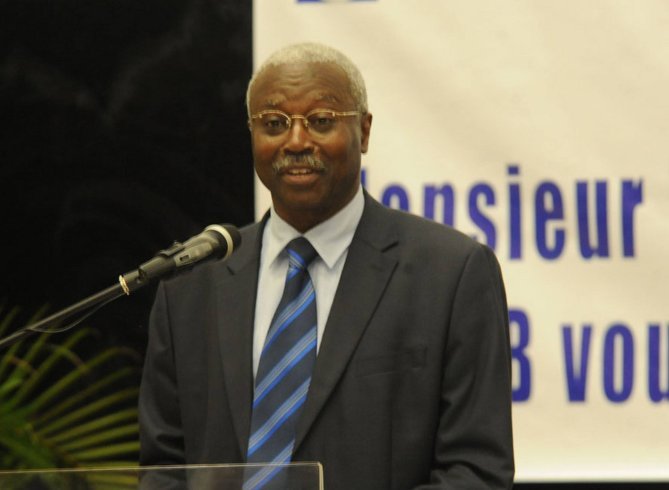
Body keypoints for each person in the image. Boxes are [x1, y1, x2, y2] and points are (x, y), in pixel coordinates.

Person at [139, 42, 514, 489]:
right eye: (274, 124)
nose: (297, 142)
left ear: (365, 132)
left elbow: (476, 472)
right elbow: (164, 469)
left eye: (321, 121)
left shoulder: (451, 274)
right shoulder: (191, 285)